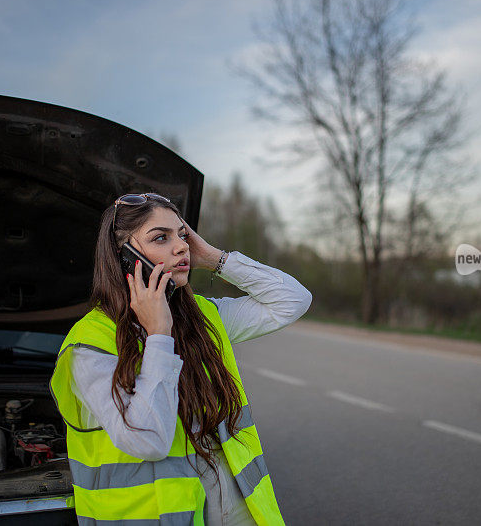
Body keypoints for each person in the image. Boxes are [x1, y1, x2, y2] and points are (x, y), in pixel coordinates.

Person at [50, 193, 312, 526]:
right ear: (123, 256)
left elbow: (293, 300)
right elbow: (148, 440)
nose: (181, 247)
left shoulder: (203, 315)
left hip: (238, 513)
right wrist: (159, 334)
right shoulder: (90, 344)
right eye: (161, 237)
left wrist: (216, 258)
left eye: (183, 235)